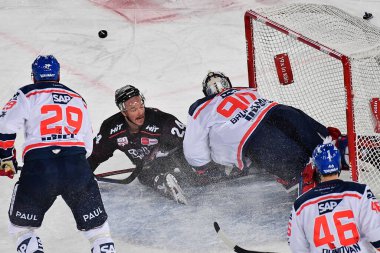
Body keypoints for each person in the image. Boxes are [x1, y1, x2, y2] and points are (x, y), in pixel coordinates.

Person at [0, 55, 116, 253]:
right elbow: (87, 145)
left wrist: (6, 158)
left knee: (21, 227)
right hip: (77, 167)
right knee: (98, 230)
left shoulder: (27, 93)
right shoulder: (78, 98)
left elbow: (5, 126)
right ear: (58, 75)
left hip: (39, 168)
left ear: (33, 76)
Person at [183, 71, 348, 195]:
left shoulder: (201, 107)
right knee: (311, 137)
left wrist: (202, 167)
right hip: (281, 112)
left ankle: (300, 176)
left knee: (293, 166)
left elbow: (193, 148)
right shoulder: (246, 91)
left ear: (206, 92)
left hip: (248, 136)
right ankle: (336, 146)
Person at [87, 84, 192, 204]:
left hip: (176, 159)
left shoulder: (162, 120)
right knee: (144, 174)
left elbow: (190, 140)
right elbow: (95, 156)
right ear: (123, 111)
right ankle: (163, 181)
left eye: (141, 106)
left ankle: (165, 180)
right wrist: (82, 175)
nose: (139, 112)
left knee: (194, 176)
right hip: (148, 167)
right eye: (133, 109)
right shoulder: (111, 129)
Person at [288, 141, 380, 253]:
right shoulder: (360, 192)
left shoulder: (300, 204)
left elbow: (297, 247)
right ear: (340, 165)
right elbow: (376, 234)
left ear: (316, 168)